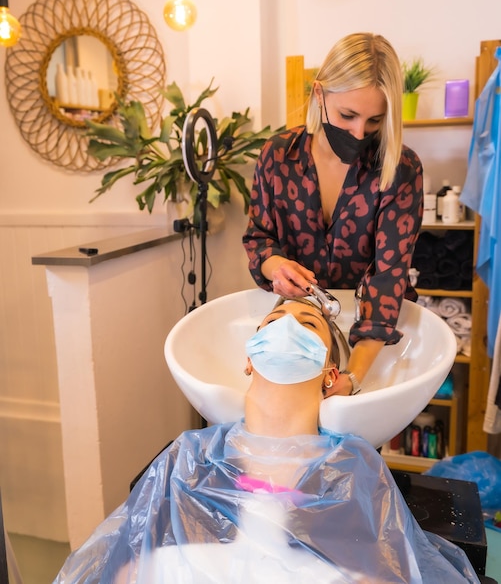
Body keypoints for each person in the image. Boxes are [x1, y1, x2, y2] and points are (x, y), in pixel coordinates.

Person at [54, 299, 478, 583]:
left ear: (331, 374)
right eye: (273, 323)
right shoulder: (190, 456)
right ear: (248, 359)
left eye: (308, 324)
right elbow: (121, 567)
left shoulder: (351, 463)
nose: (288, 327)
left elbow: (386, 570)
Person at [243, 32, 424, 396]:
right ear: (319, 94)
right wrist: (275, 266)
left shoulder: (399, 168)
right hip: (296, 331)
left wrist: (353, 378)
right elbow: (258, 238)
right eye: (348, 115)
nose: (360, 133)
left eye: (375, 121)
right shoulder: (278, 157)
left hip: (368, 341)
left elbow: (388, 278)